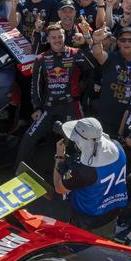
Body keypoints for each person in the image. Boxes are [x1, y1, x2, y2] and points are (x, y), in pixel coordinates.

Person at [15, 23, 95, 170]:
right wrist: (37, 108)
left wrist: (83, 91)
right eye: (54, 37)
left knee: (77, 141)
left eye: (60, 36)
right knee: (28, 137)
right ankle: (19, 175)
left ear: (65, 36)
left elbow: (91, 72)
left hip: (72, 106)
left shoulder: (76, 53)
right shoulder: (41, 59)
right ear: (48, 39)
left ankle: (77, 175)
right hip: (49, 107)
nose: (57, 40)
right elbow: (35, 86)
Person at [51, 117, 128, 237]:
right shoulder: (118, 147)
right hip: (112, 214)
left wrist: (59, 157)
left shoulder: (85, 171)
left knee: (78, 252)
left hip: (88, 221)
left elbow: (59, 188)